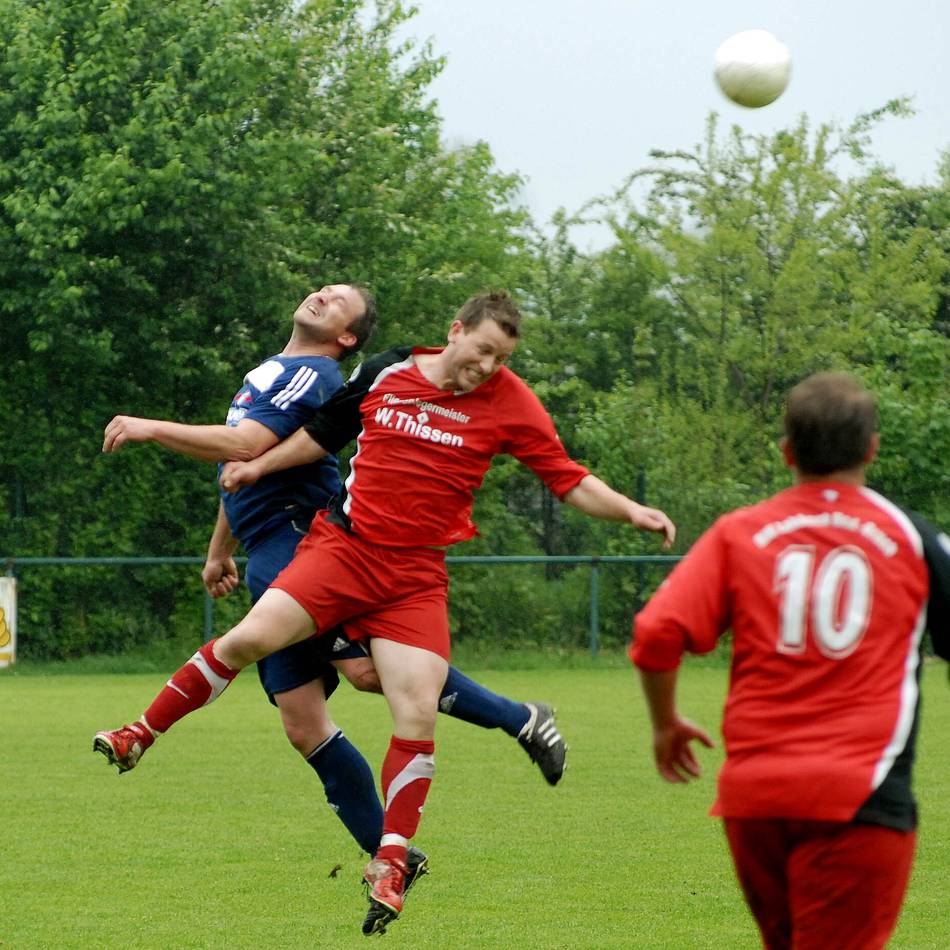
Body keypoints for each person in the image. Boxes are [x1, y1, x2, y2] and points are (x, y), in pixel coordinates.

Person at [95, 290, 676, 936]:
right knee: (249, 640)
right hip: (341, 551)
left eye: (501, 358)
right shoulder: (387, 372)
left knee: (414, 706)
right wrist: (256, 468)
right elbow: (321, 436)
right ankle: (138, 734)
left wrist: (631, 510)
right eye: (483, 350)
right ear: (455, 331)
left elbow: (568, 479)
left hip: (413, 577)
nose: (488, 366)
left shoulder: (511, 403)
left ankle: (392, 861)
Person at [630, 372, 950, 950]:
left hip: (756, 800)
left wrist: (665, 724)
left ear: (786, 452)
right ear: (872, 449)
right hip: (861, 797)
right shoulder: (914, 538)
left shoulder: (740, 533)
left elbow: (656, 632)